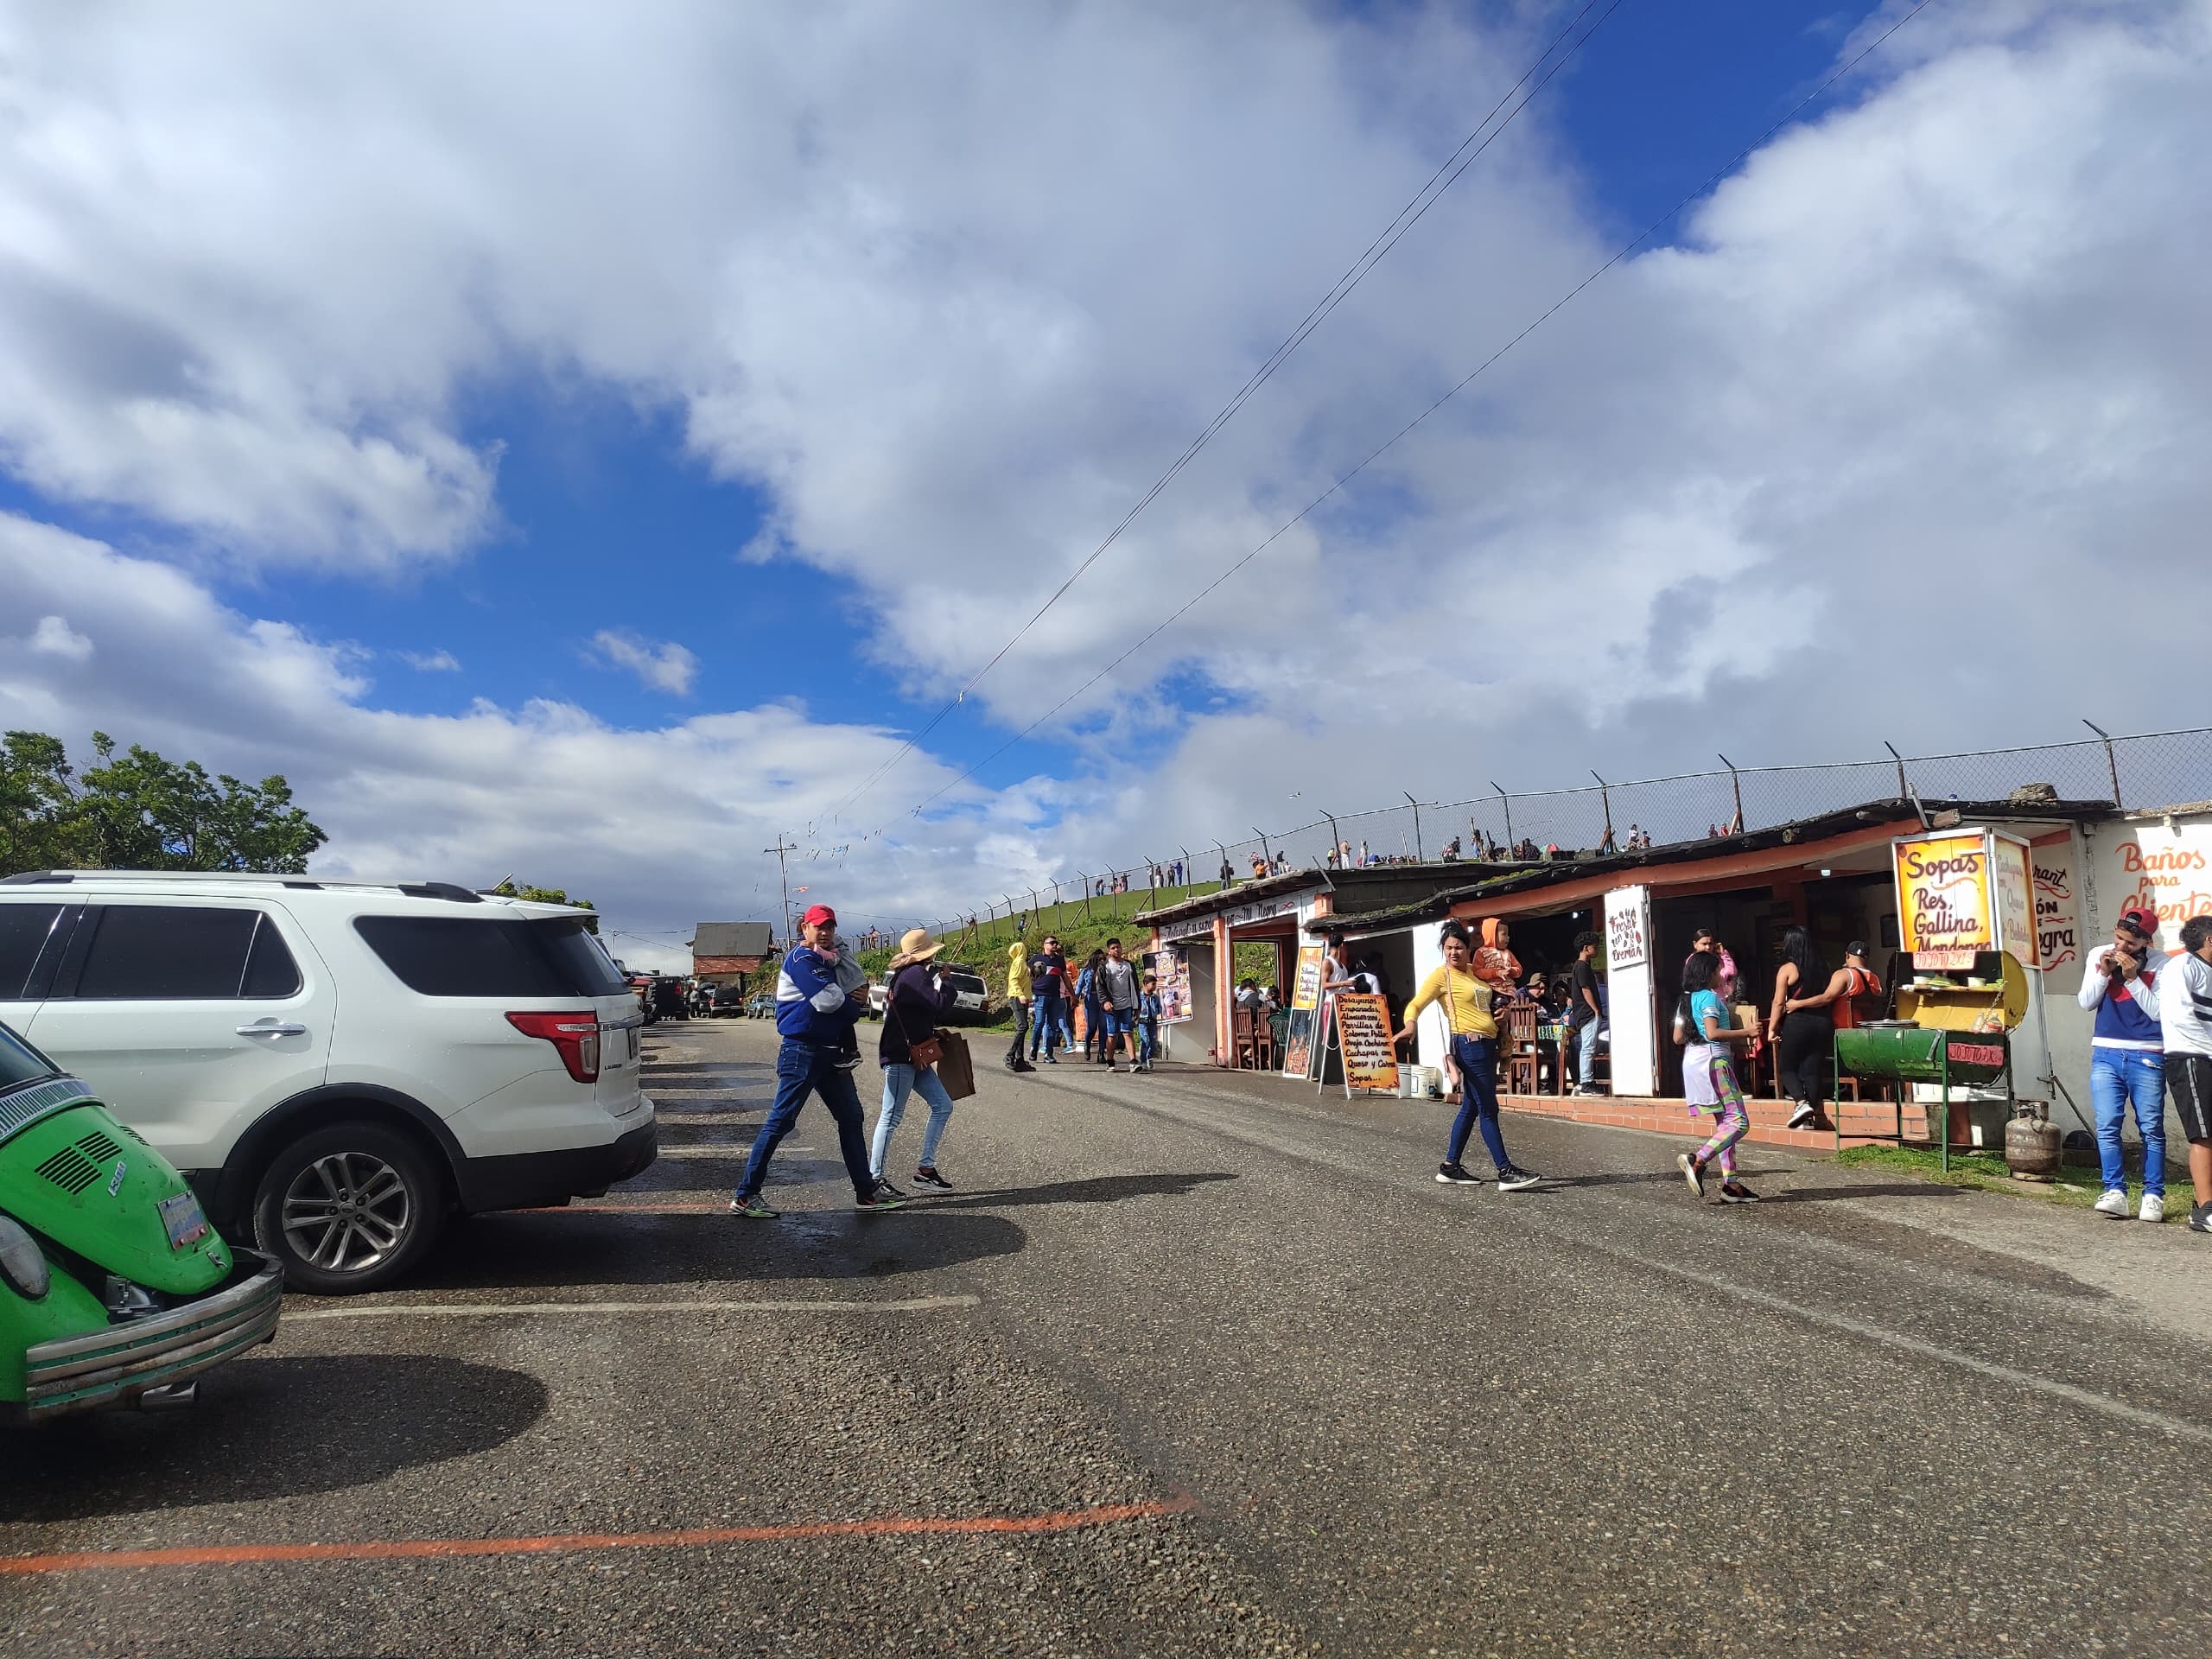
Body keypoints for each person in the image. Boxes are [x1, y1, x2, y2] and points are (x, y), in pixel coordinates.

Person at [731, 904, 904, 1217]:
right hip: (802, 1050)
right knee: (781, 1121)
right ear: (804, 929)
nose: (825, 933)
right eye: (818, 927)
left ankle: (866, 1193)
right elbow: (828, 1002)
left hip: (829, 1052)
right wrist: (853, 1005)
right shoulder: (802, 958)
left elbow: (844, 996)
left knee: (852, 1118)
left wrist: (850, 1000)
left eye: (830, 927)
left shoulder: (827, 959)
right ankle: (745, 1195)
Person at [1393, 922, 1540, 1190]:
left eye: (1458, 947)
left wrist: (1505, 1014)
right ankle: (1505, 1170)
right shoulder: (1441, 977)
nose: (1453, 953)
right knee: (1488, 1108)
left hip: (1487, 1045)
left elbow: (1494, 1000)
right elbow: (1416, 1004)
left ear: (1469, 948)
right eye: (1448, 948)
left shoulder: (1476, 973)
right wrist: (1410, 1024)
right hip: (1468, 1045)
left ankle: (1450, 1167)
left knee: (1471, 1107)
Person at [2080, 906, 2168, 1222]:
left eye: (2130, 943)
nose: (2120, 947)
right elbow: (2086, 1001)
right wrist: (2104, 974)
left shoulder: (2163, 965)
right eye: (2118, 938)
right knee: (2107, 1124)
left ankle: (2154, 1195)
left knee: (2151, 1129)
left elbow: (2158, 1012)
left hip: (2147, 1053)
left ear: (2146, 941)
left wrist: (2132, 979)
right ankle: (2115, 1191)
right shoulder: (2098, 954)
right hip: (2105, 1050)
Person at [871, 930, 962, 1192]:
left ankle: (925, 1170)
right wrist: (946, 981)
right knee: (890, 1117)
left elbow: (918, 1013)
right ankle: (874, 1178)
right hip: (901, 1056)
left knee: (942, 1105)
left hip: (911, 1054)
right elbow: (938, 1005)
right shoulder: (915, 975)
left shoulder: (908, 975)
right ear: (927, 952)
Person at [1675, 950, 1761, 1203]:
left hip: (1694, 1062)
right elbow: (1713, 1033)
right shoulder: (1711, 999)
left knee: (1725, 1123)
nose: (1721, 975)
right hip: (1715, 1062)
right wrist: (1747, 1031)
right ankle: (1698, 1160)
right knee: (1739, 1122)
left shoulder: (1686, 1000)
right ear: (1707, 973)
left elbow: (1677, 1038)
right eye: (1717, 971)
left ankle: (1730, 1184)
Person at [2159, 914, 2212, 1235]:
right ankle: (2206, 1209)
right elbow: (2180, 1018)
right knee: (2203, 1134)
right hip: (2191, 1057)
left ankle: (2204, 1205)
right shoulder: (2182, 967)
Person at [1766, 926, 1834, 1131]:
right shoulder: (1824, 967)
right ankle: (1810, 1117)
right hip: (1822, 1021)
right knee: (1812, 1069)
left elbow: (1779, 1002)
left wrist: (1772, 1028)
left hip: (1798, 1022)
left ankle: (1801, 1104)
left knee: (1787, 1068)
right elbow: (1828, 996)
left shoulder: (1787, 969)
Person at [1568, 931, 1605, 1096]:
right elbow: (1585, 988)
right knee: (1588, 1048)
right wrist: (1596, 1009)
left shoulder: (1580, 966)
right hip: (1587, 1012)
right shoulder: (1582, 966)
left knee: (1588, 1047)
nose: (1596, 950)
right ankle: (1586, 1082)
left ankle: (1586, 1081)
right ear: (1586, 948)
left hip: (1584, 1012)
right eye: (1595, 947)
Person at [1097, 938, 1141, 1071]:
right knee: (1112, 1035)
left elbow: (1135, 984)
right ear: (1109, 951)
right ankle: (1110, 1061)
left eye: (1118, 947)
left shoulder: (1129, 965)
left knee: (1128, 1032)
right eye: (1113, 948)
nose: (1117, 950)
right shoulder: (1104, 967)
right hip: (1111, 1006)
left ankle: (1133, 1061)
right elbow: (1100, 986)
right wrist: (1105, 1001)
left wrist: (1137, 1005)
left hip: (1127, 1004)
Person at [1029, 933, 1070, 1063]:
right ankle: (1034, 1048)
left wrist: (1073, 995)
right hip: (1040, 995)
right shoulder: (1037, 958)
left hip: (1055, 995)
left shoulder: (1059, 960)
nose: (1054, 945)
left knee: (1052, 1025)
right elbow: (1027, 974)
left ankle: (1049, 1053)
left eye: (1055, 943)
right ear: (1044, 945)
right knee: (1039, 1022)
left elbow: (1066, 978)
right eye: (1051, 943)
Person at [1003, 940, 1036, 1073]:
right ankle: (1010, 1055)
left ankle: (1020, 1060)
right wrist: (1020, 994)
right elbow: (1013, 980)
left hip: (1022, 998)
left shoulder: (1022, 964)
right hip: (1017, 997)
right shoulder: (1019, 962)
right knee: (1023, 1026)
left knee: (1022, 1027)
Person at [1687, 926, 1738, 1002]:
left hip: (1719, 1000)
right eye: (1704, 944)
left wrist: (1724, 954)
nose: (1708, 947)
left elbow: (1732, 971)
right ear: (1695, 944)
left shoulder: (1716, 958)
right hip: (1704, 1001)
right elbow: (1708, 980)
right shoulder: (1693, 961)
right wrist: (1722, 975)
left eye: (1710, 944)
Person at [1077, 948, 1109, 1062]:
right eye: (1100, 959)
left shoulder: (1107, 970)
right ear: (1094, 959)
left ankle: (1101, 1053)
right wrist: (1075, 997)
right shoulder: (1086, 971)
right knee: (1092, 1026)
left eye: (1104, 959)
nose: (1102, 961)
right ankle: (1087, 1044)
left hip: (1104, 999)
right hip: (1091, 999)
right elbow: (1080, 985)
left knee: (1104, 1026)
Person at [1472, 918, 1521, 990]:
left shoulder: (1507, 953)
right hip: (1490, 989)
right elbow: (1477, 971)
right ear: (1492, 935)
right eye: (1504, 934)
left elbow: (1519, 969)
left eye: (1508, 934)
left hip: (1509, 989)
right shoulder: (1481, 952)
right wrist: (1496, 972)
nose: (1508, 937)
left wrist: (1512, 971)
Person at [1137, 971, 1163, 1072]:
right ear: (1145, 984)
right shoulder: (1139, 997)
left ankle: (1149, 1057)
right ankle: (1143, 1061)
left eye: (1155, 984)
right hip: (1142, 1021)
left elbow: (1159, 1008)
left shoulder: (1155, 998)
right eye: (1153, 984)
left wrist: (1159, 1014)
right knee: (1145, 1040)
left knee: (1153, 1042)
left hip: (1152, 1021)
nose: (1154, 986)